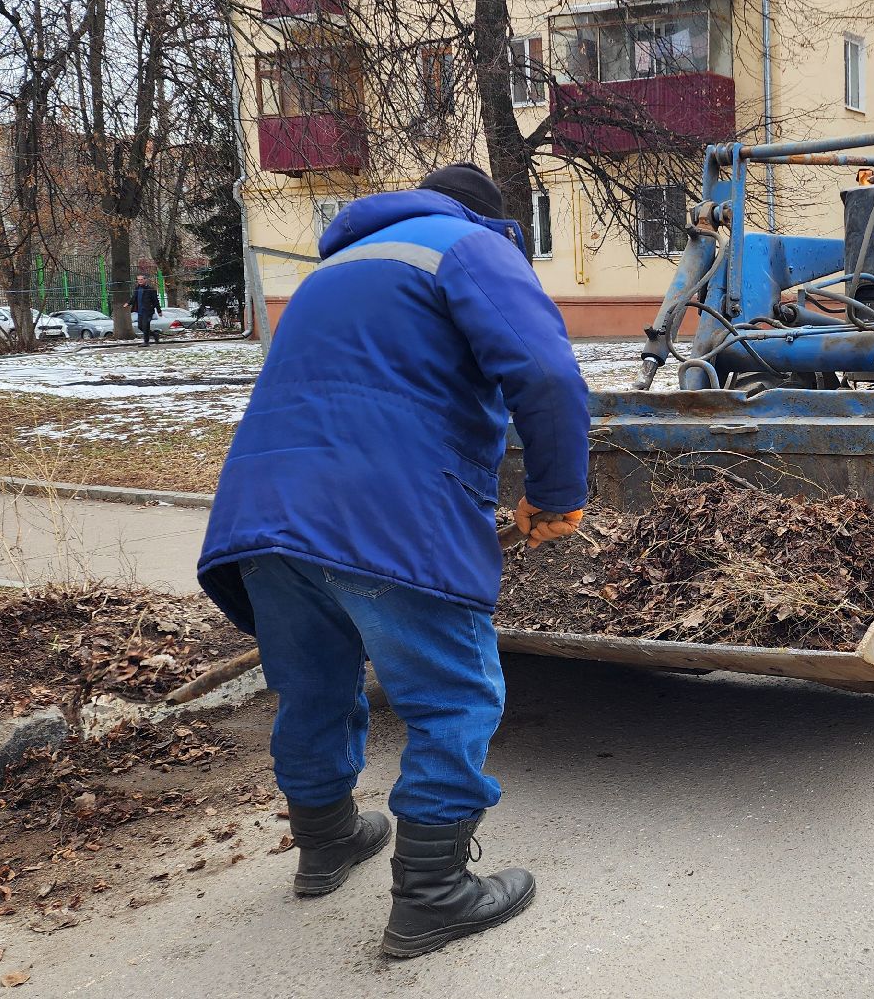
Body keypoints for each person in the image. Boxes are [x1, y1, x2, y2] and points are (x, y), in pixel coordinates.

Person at [197, 162, 591, 959]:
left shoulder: (331, 270)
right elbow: (546, 373)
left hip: (262, 514)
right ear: (494, 222)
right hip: (388, 512)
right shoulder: (468, 246)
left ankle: (327, 843)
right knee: (453, 698)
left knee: (312, 687)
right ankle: (434, 895)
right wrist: (555, 496)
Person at [128, 276, 161, 345]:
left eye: (141, 279)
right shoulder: (137, 288)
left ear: (145, 280)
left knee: (146, 326)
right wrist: (128, 303)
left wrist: (159, 311)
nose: (140, 281)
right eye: (138, 280)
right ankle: (155, 334)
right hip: (140, 311)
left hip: (148, 311)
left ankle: (146, 342)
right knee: (140, 326)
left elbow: (156, 301)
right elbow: (134, 298)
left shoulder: (150, 289)